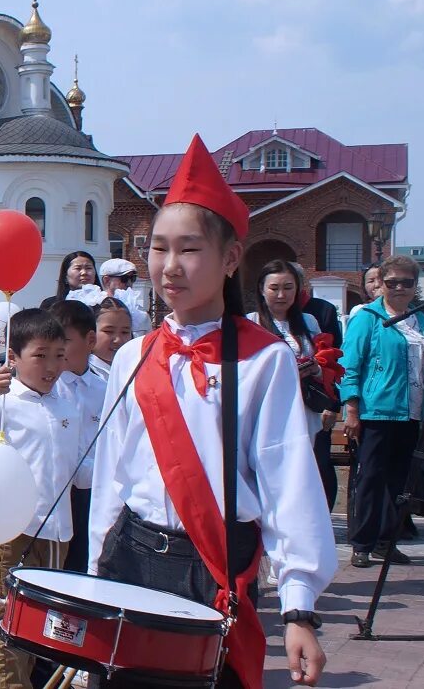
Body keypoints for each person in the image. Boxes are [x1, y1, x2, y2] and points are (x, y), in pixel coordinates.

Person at [88, 135, 335, 689]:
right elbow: (112, 473)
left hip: (215, 566)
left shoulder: (265, 358)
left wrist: (299, 607)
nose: (169, 266)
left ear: (229, 258)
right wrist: (95, 574)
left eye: (189, 249)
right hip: (131, 556)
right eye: (158, 247)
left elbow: (287, 477)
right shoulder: (135, 353)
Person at [0, 309, 92, 689]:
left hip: (59, 532)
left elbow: (81, 470)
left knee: (48, 628)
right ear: (13, 357)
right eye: (40, 355)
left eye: (59, 355)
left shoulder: (67, 407)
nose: (51, 366)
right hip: (12, 531)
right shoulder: (2, 402)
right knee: (10, 625)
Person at [340, 254, 424, 568]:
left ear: (414, 286)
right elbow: (349, 365)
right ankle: (362, 543)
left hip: (412, 414)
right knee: (370, 478)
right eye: (391, 282)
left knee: (399, 481)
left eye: (406, 282)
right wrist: (351, 410)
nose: (398, 288)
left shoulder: (420, 319)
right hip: (377, 412)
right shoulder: (368, 317)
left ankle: (386, 541)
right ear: (380, 284)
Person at [248, 260, 342, 511]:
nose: (281, 295)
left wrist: (316, 368)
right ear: (261, 289)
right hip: (267, 412)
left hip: (305, 410)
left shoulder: (309, 322)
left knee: (303, 473)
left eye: (288, 287)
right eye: (274, 288)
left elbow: (327, 360)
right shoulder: (250, 323)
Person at [49, 299, 106, 575]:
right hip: (56, 490)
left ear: (90, 340)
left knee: (84, 561)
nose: (57, 351)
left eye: (65, 341)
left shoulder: (104, 389)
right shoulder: (49, 388)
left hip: (91, 492)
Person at [98, 258, 153, 336]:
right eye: (124, 279)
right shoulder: (95, 309)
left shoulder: (141, 315)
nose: (129, 283)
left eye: (132, 278)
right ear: (106, 280)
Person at [89, 297, 133, 381]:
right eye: (109, 331)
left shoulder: (135, 369)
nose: (118, 339)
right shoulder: (81, 373)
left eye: (124, 332)